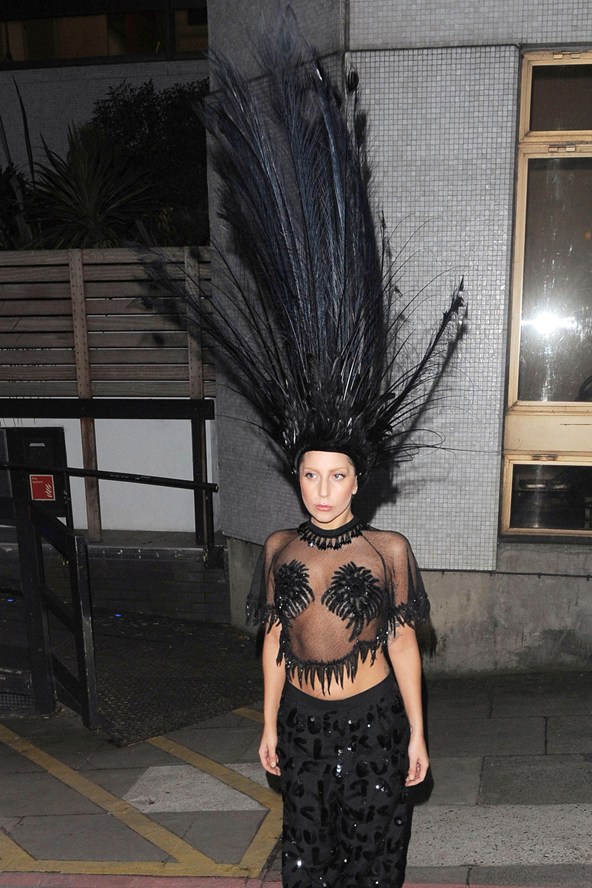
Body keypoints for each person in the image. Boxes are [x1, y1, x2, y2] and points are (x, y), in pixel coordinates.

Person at [247, 449, 430, 888]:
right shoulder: (278, 547)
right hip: (301, 721)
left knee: (371, 853)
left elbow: (403, 643)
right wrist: (268, 724)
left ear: (356, 481)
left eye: (337, 475)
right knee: (306, 851)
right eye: (311, 475)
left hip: (374, 723)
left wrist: (417, 732)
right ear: (298, 478)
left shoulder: (388, 549)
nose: (323, 490)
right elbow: (274, 639)